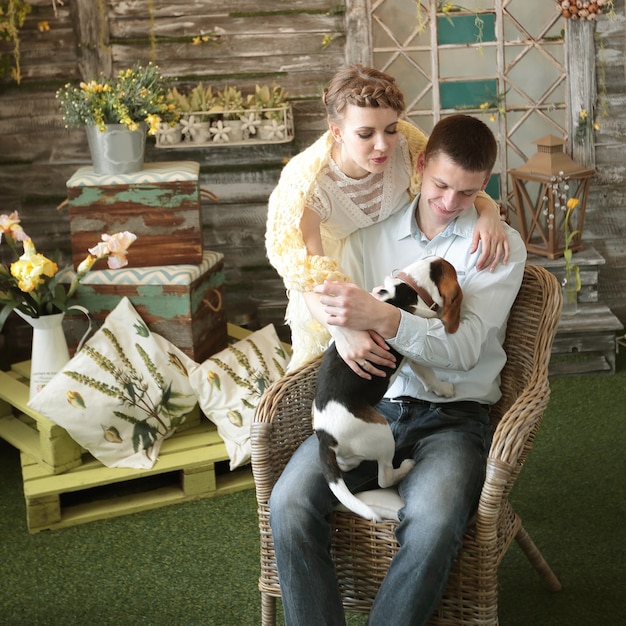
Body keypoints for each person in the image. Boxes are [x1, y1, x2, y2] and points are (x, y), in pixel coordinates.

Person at [268, 114, 527, 626]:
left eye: (469, 192)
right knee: (287, 504)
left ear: (486, 186)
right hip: (371, 405)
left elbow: (466, 350)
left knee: (432, 523)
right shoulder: (369, 240)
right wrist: (350, 325)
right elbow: (331, 304)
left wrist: (385, 318)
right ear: (422, 163)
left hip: (454, 418)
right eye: (440, 185)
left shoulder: (497, 247)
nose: (450, 203)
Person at [265, 64, 510, 370]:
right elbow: (308, 275)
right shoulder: (307, 186)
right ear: (337, 131)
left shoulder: (407, 146)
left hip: (387, 257)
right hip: (327, 284)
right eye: (366, 134)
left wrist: (489, 212)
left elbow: (449, 178)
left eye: (390, 129)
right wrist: (343, 331)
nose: (383, 145)